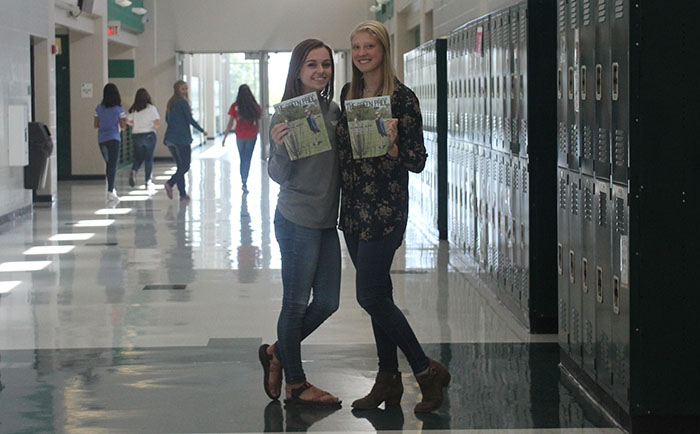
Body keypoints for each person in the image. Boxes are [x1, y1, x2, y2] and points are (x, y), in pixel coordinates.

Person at [336, 20, 451, 414]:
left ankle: (424, 369)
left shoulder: (403, 98)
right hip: (352, 208)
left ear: (383, 50)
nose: (362, 53)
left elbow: (418, 160)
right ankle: (387, 380)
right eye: (356, 47)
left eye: (369, 46)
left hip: (384, 209)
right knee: (378, 296)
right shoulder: (348, 94)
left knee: (369, 294)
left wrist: (392, 149)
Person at [258, 38, 342, 408]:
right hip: (296, 220)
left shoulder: (336, 111)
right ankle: (296, 383)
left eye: (325, 64)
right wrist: (277, 146)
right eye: (312, 65)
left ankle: (277, 351)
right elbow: (278, 175)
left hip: (326, 220)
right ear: (298, 70)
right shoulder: (285, 116)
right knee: (295, 304)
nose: (320, 71)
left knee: (327, 302)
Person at [163, 80, 207, 202]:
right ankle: (170, 183)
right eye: (183, 89)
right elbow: (189, 119)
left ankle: (183, 195)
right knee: (185, 166)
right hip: (181, 139)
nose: (185, 91)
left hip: (170, 139)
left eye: (186, 89)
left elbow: (167, 119)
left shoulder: (170, 102)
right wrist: (201, 130)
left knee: (180, 167)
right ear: (177, 90)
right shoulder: (182, 102)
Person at [222, 84, 262, 193]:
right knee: (247, 159)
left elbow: (230, 123)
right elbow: (258, 121)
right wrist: (257, 133)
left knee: (242, 158)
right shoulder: (254, 106)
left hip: (240, 136)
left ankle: (243, 181)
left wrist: (225, 137)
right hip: (251, 135)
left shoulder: (235, 106)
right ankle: (245, 181)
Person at [94, 83, 127, 202]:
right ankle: (110, 190)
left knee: (108, 164)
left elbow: (96, 124)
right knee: (112, 165)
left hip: (102, 139)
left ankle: (112, 190)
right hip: (114, 138)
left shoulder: (98, 108)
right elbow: (123, 126)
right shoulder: (119, 109)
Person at [126, 88, 160, 189]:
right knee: (148, 158)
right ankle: (148, 181)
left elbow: (126, 120)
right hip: (149, 134)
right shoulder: (151, 108)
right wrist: (153, 126)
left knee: (138, 157)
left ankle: (134, 170)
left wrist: (134, 125)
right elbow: (157, 123)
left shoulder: (134, 109)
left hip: (136, 135)